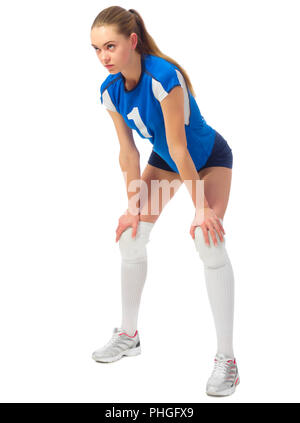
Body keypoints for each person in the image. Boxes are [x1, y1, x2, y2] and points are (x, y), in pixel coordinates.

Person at [90, 6, 240, 397]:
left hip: (206, 160)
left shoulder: (163, 77)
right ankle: (128, 334)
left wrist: (201, 208)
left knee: (208, 239)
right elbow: (128, 153)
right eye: (96, 49)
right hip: (164, 162)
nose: (103, 56)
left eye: (110, 46)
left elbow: (180, 146)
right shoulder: (109, 91)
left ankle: (228, 359)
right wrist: (131, 206)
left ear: (132, 41)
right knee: (131, 236)